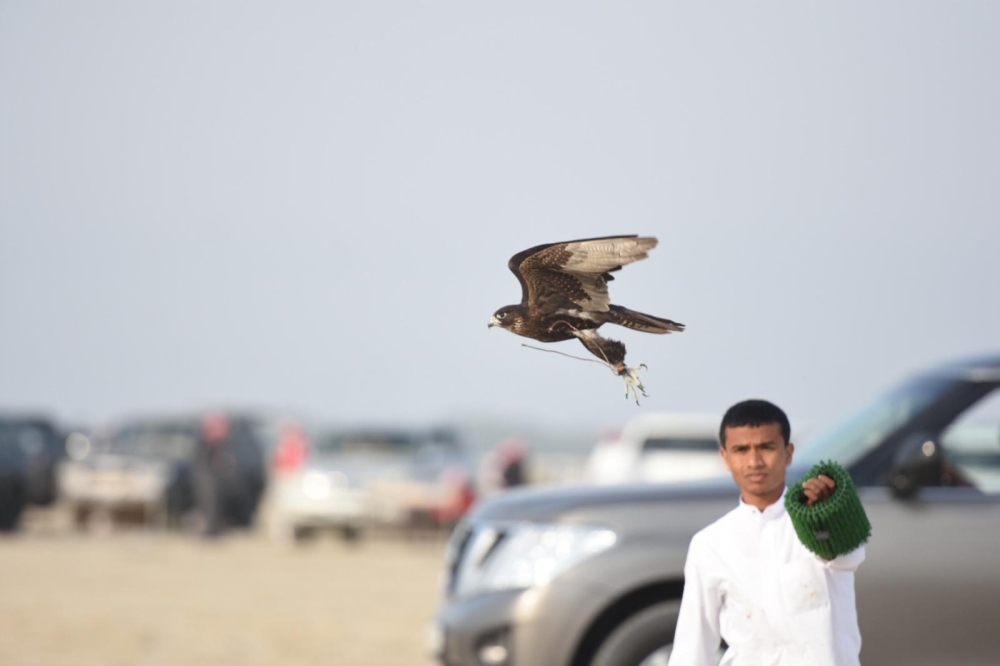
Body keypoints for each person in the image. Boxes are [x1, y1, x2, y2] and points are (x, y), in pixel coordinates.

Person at [668, 400, 865, 666]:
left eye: (766, 447)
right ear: (725, 457)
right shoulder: (710, 544)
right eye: (741, 450)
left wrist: (826, 517)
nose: (754, 461)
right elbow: (693, 645)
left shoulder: (818, 516)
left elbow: (848, 557)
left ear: (788, 452)